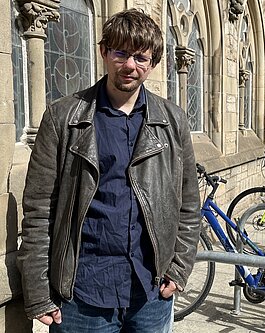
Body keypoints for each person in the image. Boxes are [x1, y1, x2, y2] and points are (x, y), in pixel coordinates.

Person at [17, 9, 201, 333]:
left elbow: (188, 205)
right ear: (104, 52)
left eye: (141, 57)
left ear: (153, 63)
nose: (130, 65)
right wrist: (37, 291)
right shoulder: (62, 118)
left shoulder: (173, 122)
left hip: (150, 294)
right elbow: (38, 211)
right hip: (81, 296)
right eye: (121, 53)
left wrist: (180, 268)